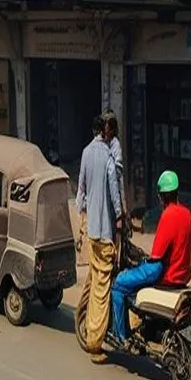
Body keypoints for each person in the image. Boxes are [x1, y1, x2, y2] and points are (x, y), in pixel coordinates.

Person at [110, 169, 191, 346]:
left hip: (164, 273)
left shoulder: (168, 215)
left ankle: (121, 337)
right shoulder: (186, 214)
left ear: (162, 196)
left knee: (118, 284)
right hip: (183, 274)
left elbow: (156, 256)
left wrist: (141, 261)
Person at [76, 113, 121, 360]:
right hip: (104, 232)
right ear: (105, 133)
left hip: (92, 229)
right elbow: (114, 194)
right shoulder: (108, 157)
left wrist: (84, 219)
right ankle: (95, 343)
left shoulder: (85, 153)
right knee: (102, 289)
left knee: (94, 280)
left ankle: (81, 317)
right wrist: (121, 217)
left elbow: (80, 190)